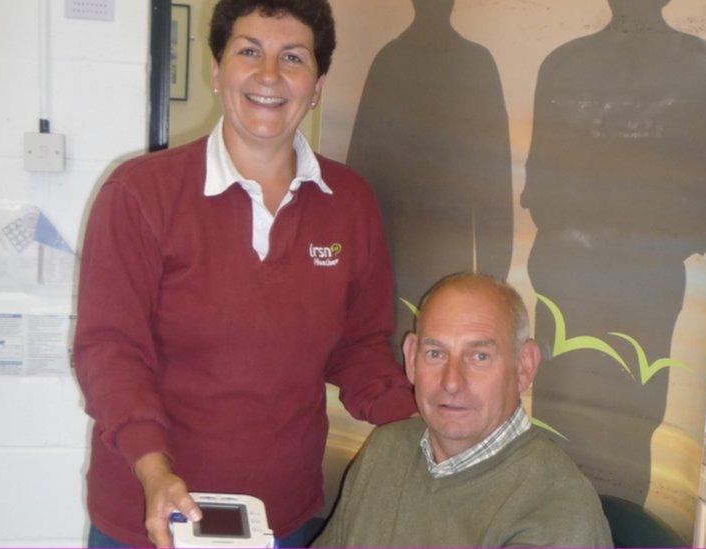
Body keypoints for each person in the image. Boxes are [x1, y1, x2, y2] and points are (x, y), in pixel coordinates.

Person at [74, 1, 416, 547]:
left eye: (294, 58)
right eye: (249, 51)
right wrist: (154, 471)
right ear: (217, 70)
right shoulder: (140, 195)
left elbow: (359, 349)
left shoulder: (350, 203)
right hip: (153, 516)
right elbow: (110, 352)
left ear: (319, 83)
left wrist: (430, 426)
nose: (269, 76)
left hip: (282, 517)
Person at [313, 273, 613, 547]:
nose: (452, 382)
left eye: (479, 356)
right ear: (411, 359)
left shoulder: (555, 508)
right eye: (435, 353)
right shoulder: (386, 448)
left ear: (524, 367)